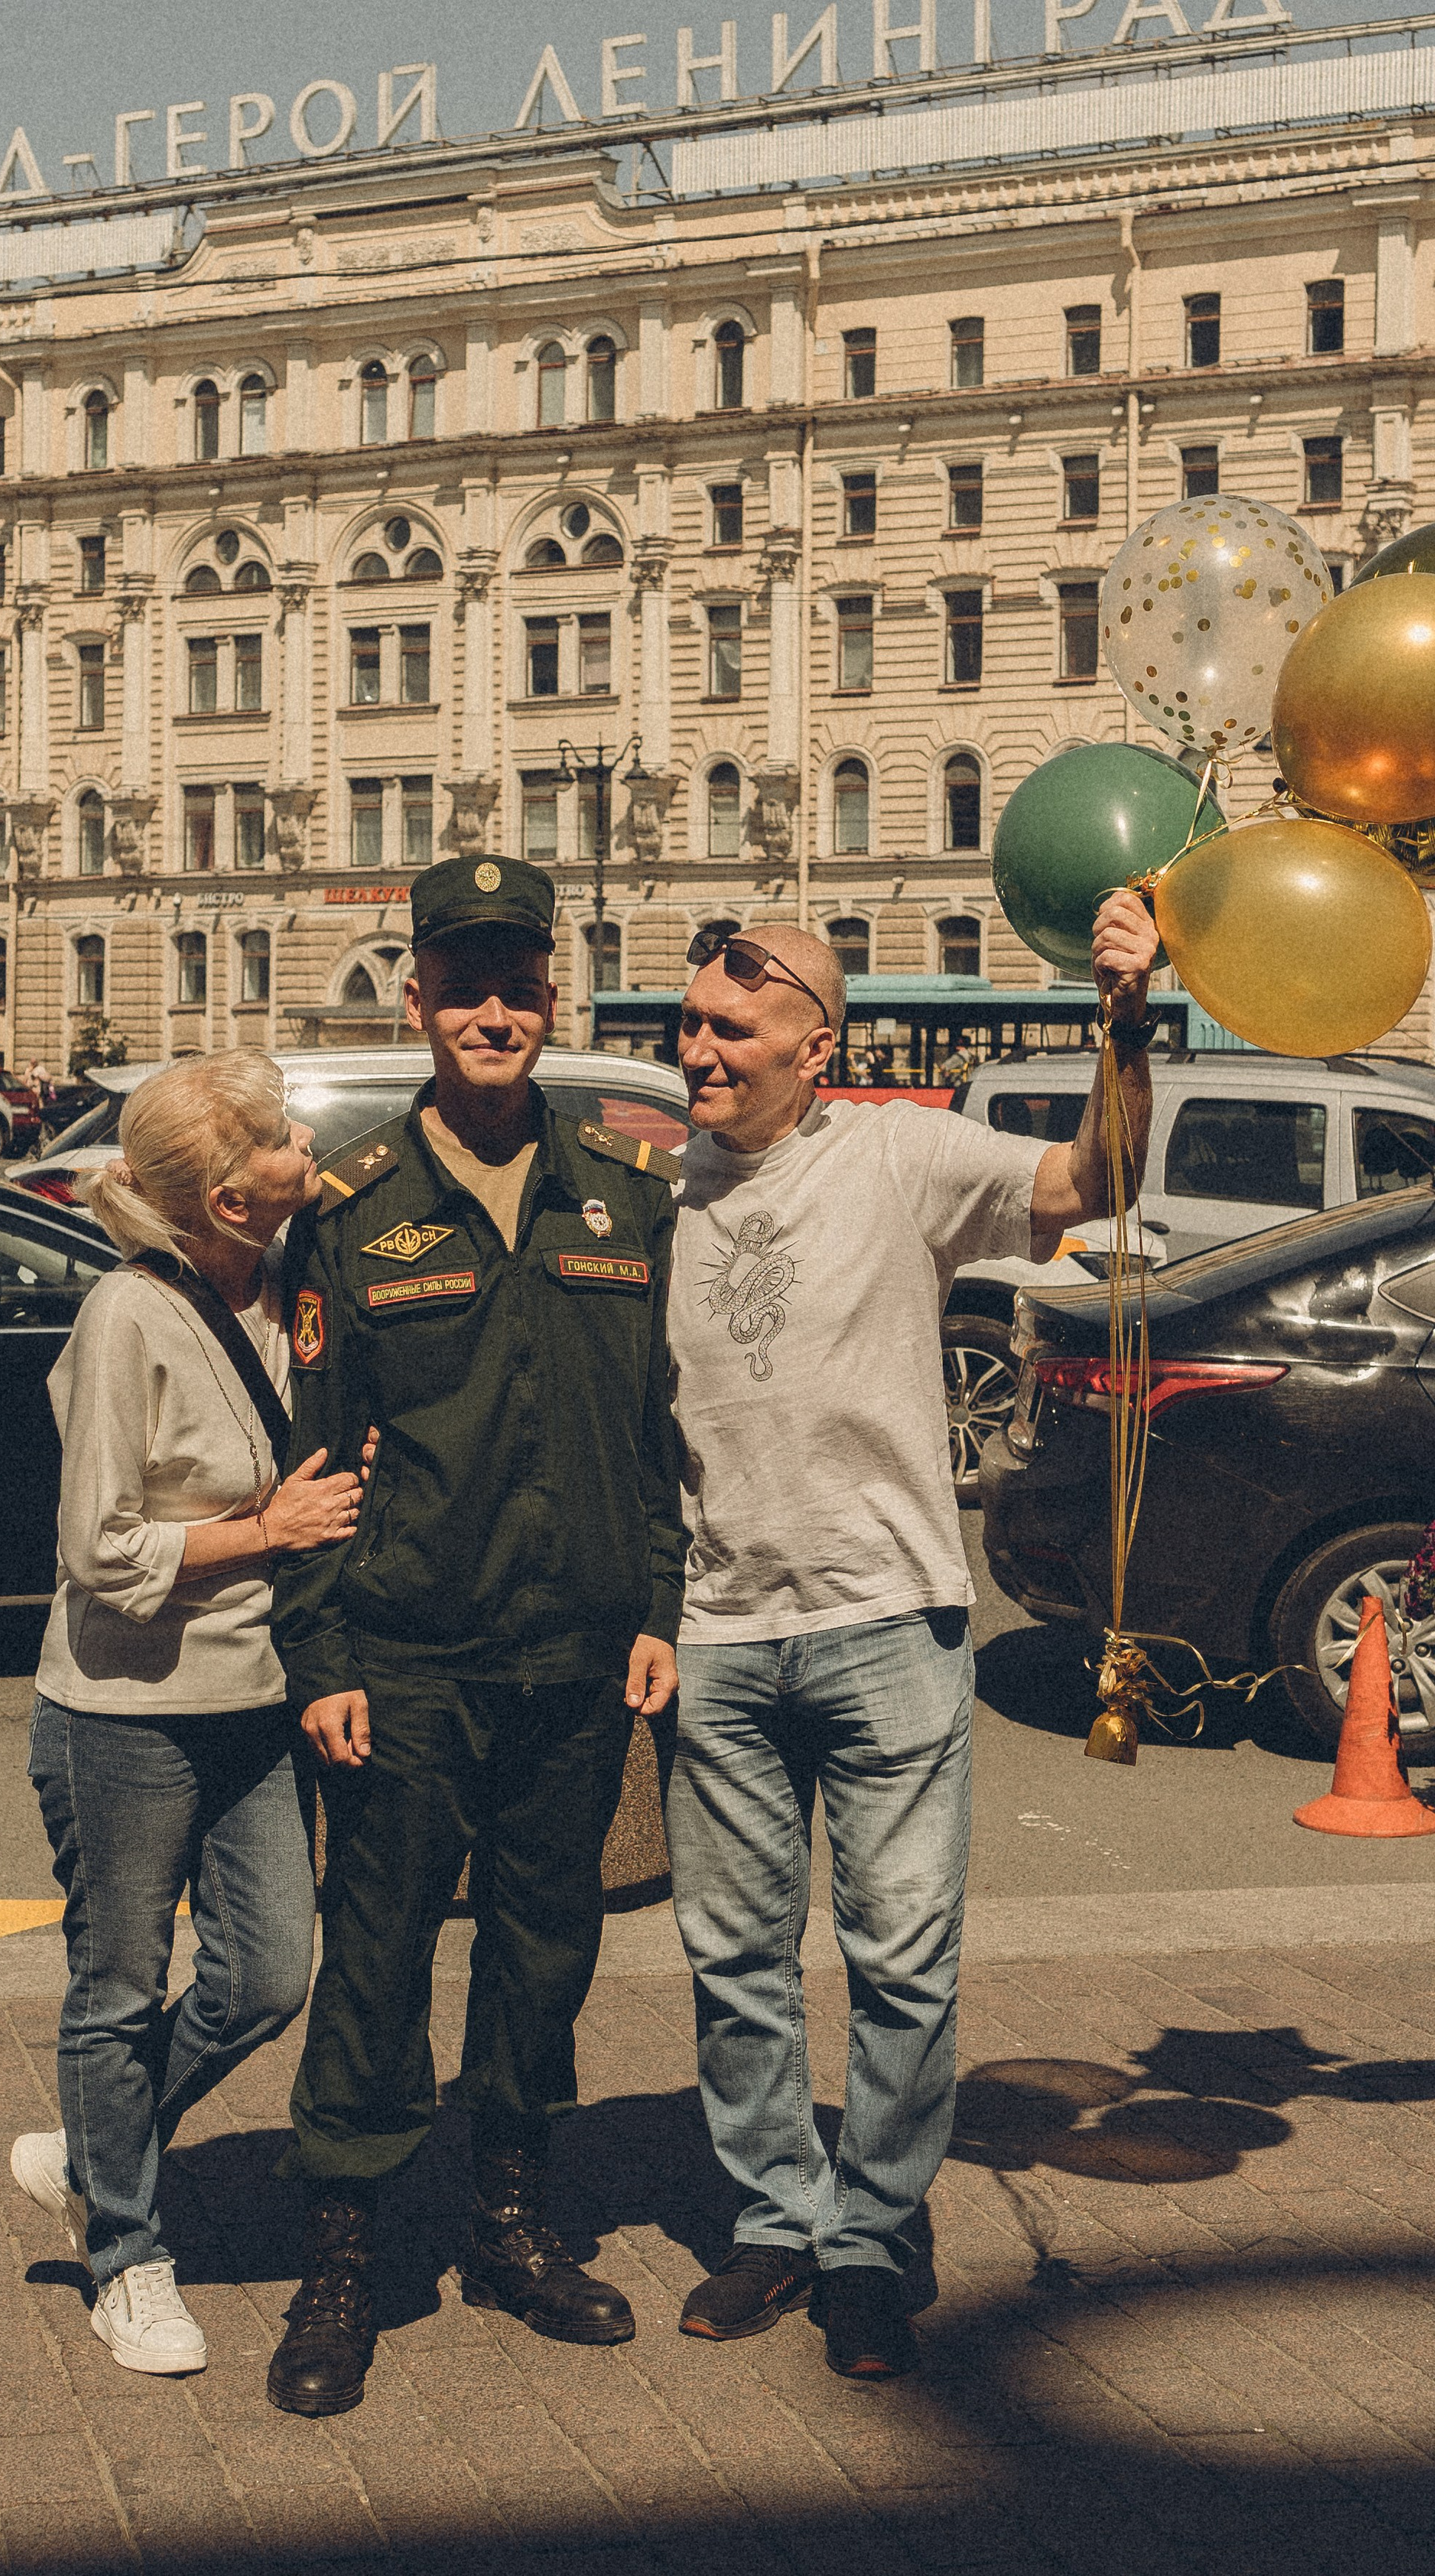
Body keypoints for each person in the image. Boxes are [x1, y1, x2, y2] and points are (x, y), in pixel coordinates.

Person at [665, 894, 1158, 2381]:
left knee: (900, 1959)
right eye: (688, 1023)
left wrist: (1120, 1027)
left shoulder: (898, 1153)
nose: (695, 1049)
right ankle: (771, 2214)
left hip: (886, 1621)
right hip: (721, 1632)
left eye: (726, 1029)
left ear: (812, 1048)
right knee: (735, 1956)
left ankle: (871, 2237)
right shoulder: (655, 1187)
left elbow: (1096, 1178)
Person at [264, 853, 685, 2419]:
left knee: (542, 1954)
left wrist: (655, 1607)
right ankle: (345, 2258)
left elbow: (651, 1435)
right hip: (408, 1658)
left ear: (550, 997)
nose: (492, 1011)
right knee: (372, 1963)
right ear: (419, 993)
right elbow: (313, 1456)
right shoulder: (354, 1208)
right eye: (464, 982)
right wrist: (322, 1660)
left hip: (574, 1656)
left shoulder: (622, 1197)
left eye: (518, 983)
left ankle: (511, 2221)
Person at [10, 1052, 366, 2378]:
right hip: (123, 1709)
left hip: (254, 1696)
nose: (304, 1154)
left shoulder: (291, 1289)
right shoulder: (127, 1316)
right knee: (115, 1986)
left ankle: (97, 2153)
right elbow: (99, 1548)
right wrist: (265, 1530)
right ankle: (126, 2258)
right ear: (227, 1196)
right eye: (281, 1142)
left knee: (270, 1972)